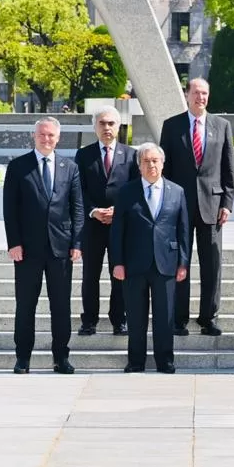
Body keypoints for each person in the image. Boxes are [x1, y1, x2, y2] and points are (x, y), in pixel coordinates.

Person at [3, 117, 84, 375]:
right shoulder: (18, 166)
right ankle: (23, 358)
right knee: (25, 305)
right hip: (27, 249)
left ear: (58, 138)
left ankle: (61, 357)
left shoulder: (69, 167)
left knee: (60, 306)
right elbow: (10, 209)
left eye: (51, 135)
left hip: (61, 249)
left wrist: (77, 243)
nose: (46, 139)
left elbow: (77, 208)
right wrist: (13, 242)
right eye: (42, 135)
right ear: (34, 136)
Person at [159, 77, 234, 337]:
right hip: (178, 205)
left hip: (212, 206)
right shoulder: (171, 126)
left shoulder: (222, 126)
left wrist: (227, 203)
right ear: (187, 94)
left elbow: (228, 170)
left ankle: (208, 317)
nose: (201, 98)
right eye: (196, 93)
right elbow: (164, 170)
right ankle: (179, 318)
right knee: (180, 261)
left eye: (205, 93)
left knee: (211, 264)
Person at [109, 143, 189, 374]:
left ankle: (165, 361)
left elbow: (183, 229)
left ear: (162, 164)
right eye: (146, 161)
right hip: (134, 263)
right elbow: (117, 231)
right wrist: (118, 262)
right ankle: (136, 361)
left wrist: (183, 262)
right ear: (139, 165)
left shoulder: (177, 191)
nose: (151, 165)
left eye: (155, 161)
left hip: (167, 263)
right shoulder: (126, 192)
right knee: (135, 316)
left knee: (165, 317)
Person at [74, 106, 139, 337]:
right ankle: (89, 320)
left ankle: (119, 320)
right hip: (92, 226)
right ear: (95, 127)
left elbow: (135, 191)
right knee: (90, 274)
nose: (107, 128)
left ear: (118, 126)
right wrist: (93, 211)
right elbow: (78, 190)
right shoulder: (84, 155)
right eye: (102, 123)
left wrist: (118, 211)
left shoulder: (131, 155)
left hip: (120, 226)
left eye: (111, 123)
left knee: (119, 273)